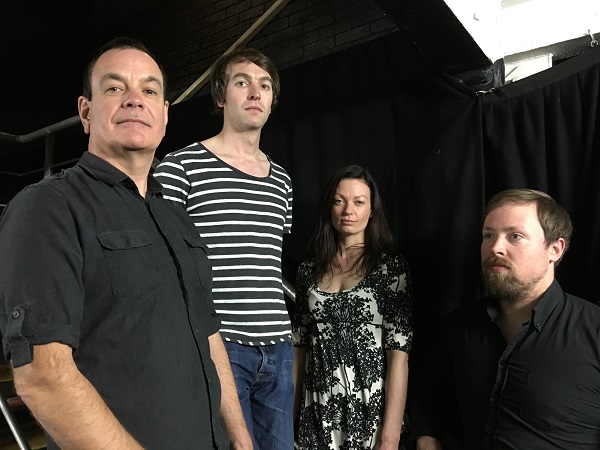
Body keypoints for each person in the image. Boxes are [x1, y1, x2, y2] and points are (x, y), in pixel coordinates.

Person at [0, 37, 252, 450]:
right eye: (115, 88)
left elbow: (208, 334)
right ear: (86, 112)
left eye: (149, 91)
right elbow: (43, 378)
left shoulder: (177, 218)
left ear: (164, 115)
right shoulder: (47, 208)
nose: (135, 100)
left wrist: (241, 439)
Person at [154, 47, 294, 449]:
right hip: (220, 346)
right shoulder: (181, 167)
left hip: (279, 347)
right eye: (242, 82)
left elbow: (265, 261)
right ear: (220, 96)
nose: (255, 92)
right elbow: (163, 262)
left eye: (264, 85)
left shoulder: (281, 180)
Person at [413, 188, 600, 450]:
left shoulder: (594, 331)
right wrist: (426, 436)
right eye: (488, 235)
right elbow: (428, 398)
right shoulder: (461, 325)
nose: (495, 248)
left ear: (554, 249)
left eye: (515, 236)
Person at [292, 165, 413, 450]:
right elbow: (298, 351)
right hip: (317, 413)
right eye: (339, 201)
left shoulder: (390, 269)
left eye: (359, 202)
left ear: (372, 211)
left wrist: (390, 436)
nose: (348, 210)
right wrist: (287, 421)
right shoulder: (308, 271)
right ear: (329, 208)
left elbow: (399, 356)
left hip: (370, 415)